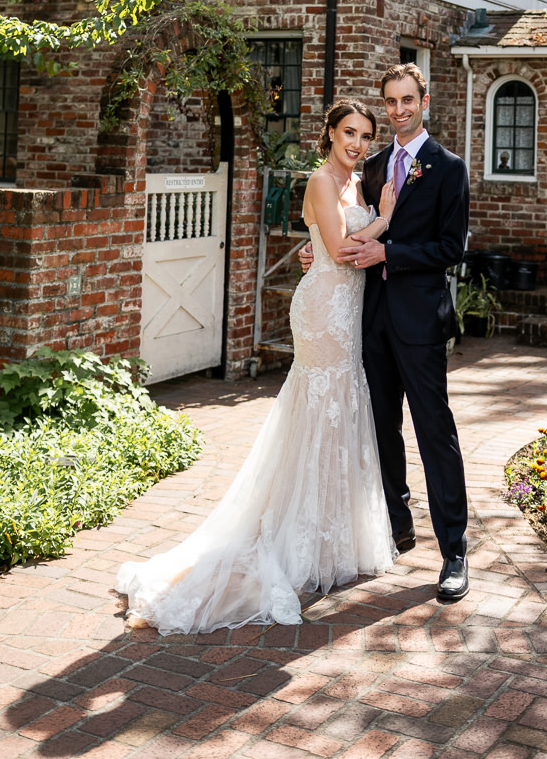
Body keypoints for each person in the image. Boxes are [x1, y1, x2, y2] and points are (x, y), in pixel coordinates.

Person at [116, 99, 397, 633]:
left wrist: (361, 220)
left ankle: (327, 536)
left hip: (349, 311)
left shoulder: (355, 183)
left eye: (364, 136)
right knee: (320, 406)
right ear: (330, 134)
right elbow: (337, 249)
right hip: (322, 313)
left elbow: (323, 241)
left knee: (340, 408)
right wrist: (383, 219)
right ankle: (293, 534)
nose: (357, 144)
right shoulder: (320, 179)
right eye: (348, 133)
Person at [301, 63, 470, 602]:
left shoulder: (448, 168)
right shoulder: (370, 168)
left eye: (406, 100)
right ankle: (398, 525)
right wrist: (318, 249)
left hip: (420, 323)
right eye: (390, 102)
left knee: (434, 433)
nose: (398, 110)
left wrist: (388, 251)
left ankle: (454, 553)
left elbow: (451, 249)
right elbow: (344, 225)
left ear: (425, 100)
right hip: (368, 320)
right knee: (380, 429)